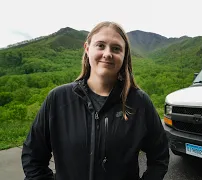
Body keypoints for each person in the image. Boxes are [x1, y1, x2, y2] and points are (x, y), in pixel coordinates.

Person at [21, 21, 170, 180]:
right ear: (87, 48)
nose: (107, 54)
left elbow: (159, 156)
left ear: (124, 55)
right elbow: (33, 157)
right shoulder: (58, 99)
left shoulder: (139, 102)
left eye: (116, 48)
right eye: (100, 45)